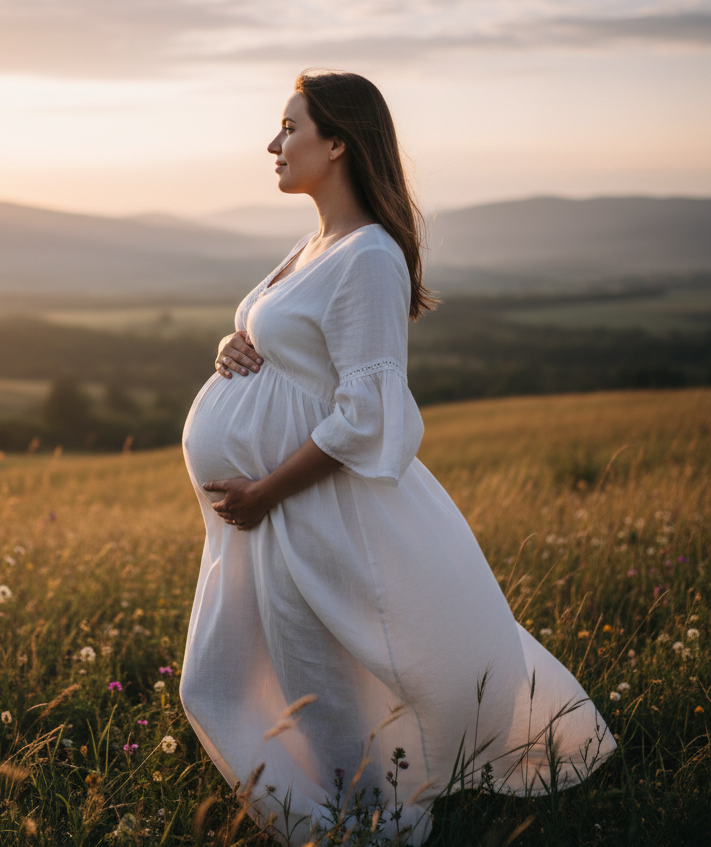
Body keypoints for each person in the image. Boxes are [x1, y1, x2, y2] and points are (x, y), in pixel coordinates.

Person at [178, 70, 614, 845]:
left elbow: (367, 410)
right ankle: (331, 820)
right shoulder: (318, 241)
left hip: (299, 504)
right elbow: (287, 341)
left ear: (337, 142)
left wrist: (267, 491)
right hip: (260, 514)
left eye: (289, 127)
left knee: (320, 682)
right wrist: (234, 342)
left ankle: (365, 827)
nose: (272, 143)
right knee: (223, 678)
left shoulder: (370, 255)